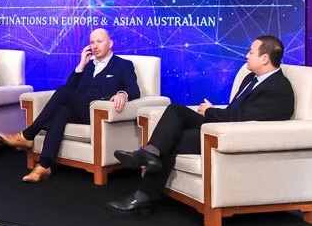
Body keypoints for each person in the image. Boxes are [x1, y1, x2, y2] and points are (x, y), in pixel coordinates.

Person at [107, 34, 295, 213]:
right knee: (176, 110)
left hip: (234, 136)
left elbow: (243, 118)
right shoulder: (250, 78)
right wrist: (212, 111)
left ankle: (143, 194)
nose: (246, 55)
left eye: (251, 52)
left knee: (171, 139)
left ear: (264, 58)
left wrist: (210, 112)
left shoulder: (278, 89)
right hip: (223, 126)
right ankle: (150, 153)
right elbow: (236, 110)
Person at [0, 28, 140, 182]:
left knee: (63, 92)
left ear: (110, 43)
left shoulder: (123, 65)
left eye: (99, 41)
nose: (95, 46)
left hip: (100, 112)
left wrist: (122, 94)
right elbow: (71, 88)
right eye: (92, 42)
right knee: (62, 110)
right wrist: (81, 66)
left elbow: (134, 89)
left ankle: (28, 135)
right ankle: (44, 165)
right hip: (82, 110)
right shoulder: (89, 66)